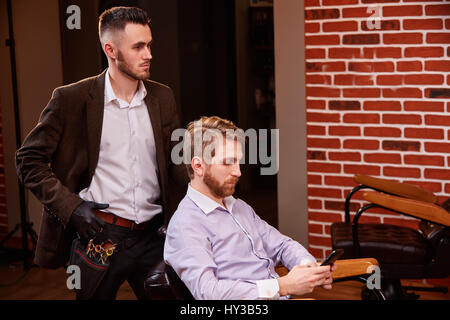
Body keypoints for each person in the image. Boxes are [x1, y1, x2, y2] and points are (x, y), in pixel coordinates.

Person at [15, 6, 187, 300]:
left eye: (149, 45)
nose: (148, 54)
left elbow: (175, 164)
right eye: (138, 47)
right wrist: (71, 207)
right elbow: (28, 160)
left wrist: (208, 190)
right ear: (111, 49)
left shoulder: (163, 97)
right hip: (100, 236)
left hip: (154, 236)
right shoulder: (71, 99)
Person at [164, 116, 334, 300]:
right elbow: (209, 292)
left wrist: (307, 266)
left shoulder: (238, 206)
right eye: (228, 162)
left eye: (238, 161)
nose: (238, 171)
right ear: (198, 166)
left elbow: (282, 245)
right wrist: (282, 286)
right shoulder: (186, 224)